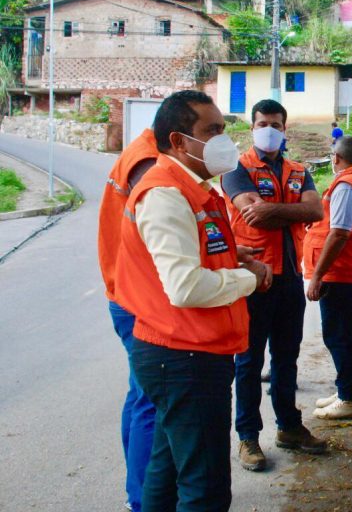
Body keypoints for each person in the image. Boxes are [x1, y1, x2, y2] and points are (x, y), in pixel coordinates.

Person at [115, 90, 272, 511]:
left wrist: (230, 257)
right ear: (179, 141)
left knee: (166, 477)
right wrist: (247, 278)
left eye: (223, 129)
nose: (223, 140)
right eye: (212, 131)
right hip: (184, 356)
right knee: (205, 488)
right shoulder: (165, 193)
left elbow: (193, 251)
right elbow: (184, 286)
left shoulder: (191, 188)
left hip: (186, 351)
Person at [222, 99, 327, 471]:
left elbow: (316, 211)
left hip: (290, 280)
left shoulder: (300, 171)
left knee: (287, 359)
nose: (270, 129)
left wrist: (271, 209)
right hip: (254, 280)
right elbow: (252, 214)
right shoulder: (236, 169)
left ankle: (289, 427)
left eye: (277, 124)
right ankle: (248, 437)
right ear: (252, 127)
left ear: (285, 129)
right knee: (248, 362)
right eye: (263, 123)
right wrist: (287, 210)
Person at [97, 128, 159, 512]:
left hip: (125, 293)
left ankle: (137, 493)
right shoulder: (147, 163)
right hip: (137, 298)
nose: (217, 139)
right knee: (150, 401)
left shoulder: (141, 150)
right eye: (210, 131)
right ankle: (142, 500)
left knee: (140, 395)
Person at [304, 135, 352, 420]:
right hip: (347, 271)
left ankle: (348, 398)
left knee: (338, 335)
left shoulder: (347, 185)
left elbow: (339, 233)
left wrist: (318, 275)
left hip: (342, 273)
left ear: (336, 158)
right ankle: (346, 389)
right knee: (340, 334)